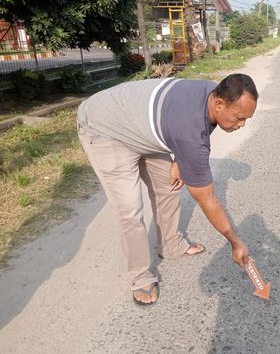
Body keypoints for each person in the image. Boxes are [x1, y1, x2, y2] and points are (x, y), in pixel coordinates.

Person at [76, 73, 257, 306]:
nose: (241, 125)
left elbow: (195, 127)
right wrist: (235, 241)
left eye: (246, 120)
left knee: (169, 185)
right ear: (219, 103)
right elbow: (207, 199)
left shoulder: (215, 93)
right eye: (239, 118)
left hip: (141, 125)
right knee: (129, 209)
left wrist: (179, 159)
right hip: (106, 128)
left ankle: (170, 244)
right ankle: (141, 277)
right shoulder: (191, 132)